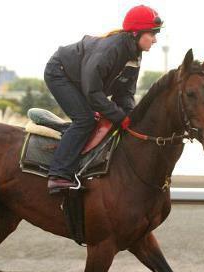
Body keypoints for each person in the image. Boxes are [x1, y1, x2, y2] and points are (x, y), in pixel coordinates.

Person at [44, 4, 163, 194]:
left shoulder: (135, 55)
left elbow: (125, 94)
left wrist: (131, 118)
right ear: (135, 33)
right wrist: (119, 116)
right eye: (152, 34)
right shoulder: (111, 49)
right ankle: (58, 174)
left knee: (106, 119)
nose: (155, 40)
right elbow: (92, 92)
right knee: (85, 119)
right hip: (59, 73)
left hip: (82, 81)